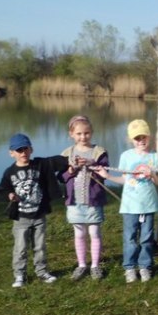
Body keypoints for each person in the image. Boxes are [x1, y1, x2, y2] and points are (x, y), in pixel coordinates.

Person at [95, 120, 158, 283]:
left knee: (146, 237)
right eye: (136, 138)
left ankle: (145, 265)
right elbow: (124, 179)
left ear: (149, 136)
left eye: (143, 137)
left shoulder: (155, 157)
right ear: (131, 140)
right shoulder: (126, 156)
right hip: (130, 206)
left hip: (148, 205)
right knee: (130, 238)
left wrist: (152, 174)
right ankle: (130, 267)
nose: (140, 141)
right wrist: (107, 176)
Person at [0, 133, 70, 288]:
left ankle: (42, 271)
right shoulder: (9, 172)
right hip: (21, 218)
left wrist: (72, 159)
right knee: (21, 248)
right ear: (11, 153)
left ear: (31, 149)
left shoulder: (40, 165)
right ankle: (19, 274)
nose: (23, 153)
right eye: (19, 150)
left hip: (39, 215)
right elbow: (3, 188)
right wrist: (10, 194)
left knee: (40, 246)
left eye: (26, 149)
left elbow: (57, 161)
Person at [58, 115, 110, 281]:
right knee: (79, 234)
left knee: (94, 232)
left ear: (92, 132)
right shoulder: (67, 154)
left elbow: (104, 174)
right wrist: (70, 171)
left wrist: (92, 164)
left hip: (93, 201)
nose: (83, 137)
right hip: (74, 202)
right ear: (71, 134)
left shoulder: (99, 152)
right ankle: (81, 264)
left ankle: (95, 265)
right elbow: (61, 176)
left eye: (86, 133)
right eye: (79, 133)